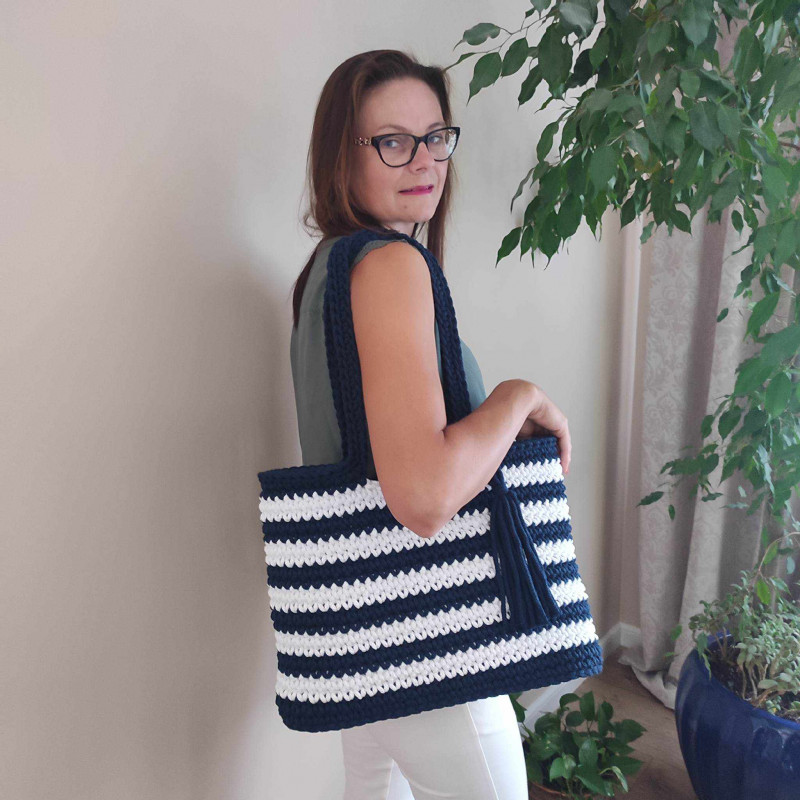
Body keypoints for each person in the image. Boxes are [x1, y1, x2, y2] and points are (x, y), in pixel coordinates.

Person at [289, 49, 572, 800]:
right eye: (392, 141)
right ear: (340, 156)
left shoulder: (327, 269)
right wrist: (516, 397)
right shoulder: (389, 267)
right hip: (431, 644)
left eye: (435, 136)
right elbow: (422, 497)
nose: (424, 160)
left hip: (366, 630)